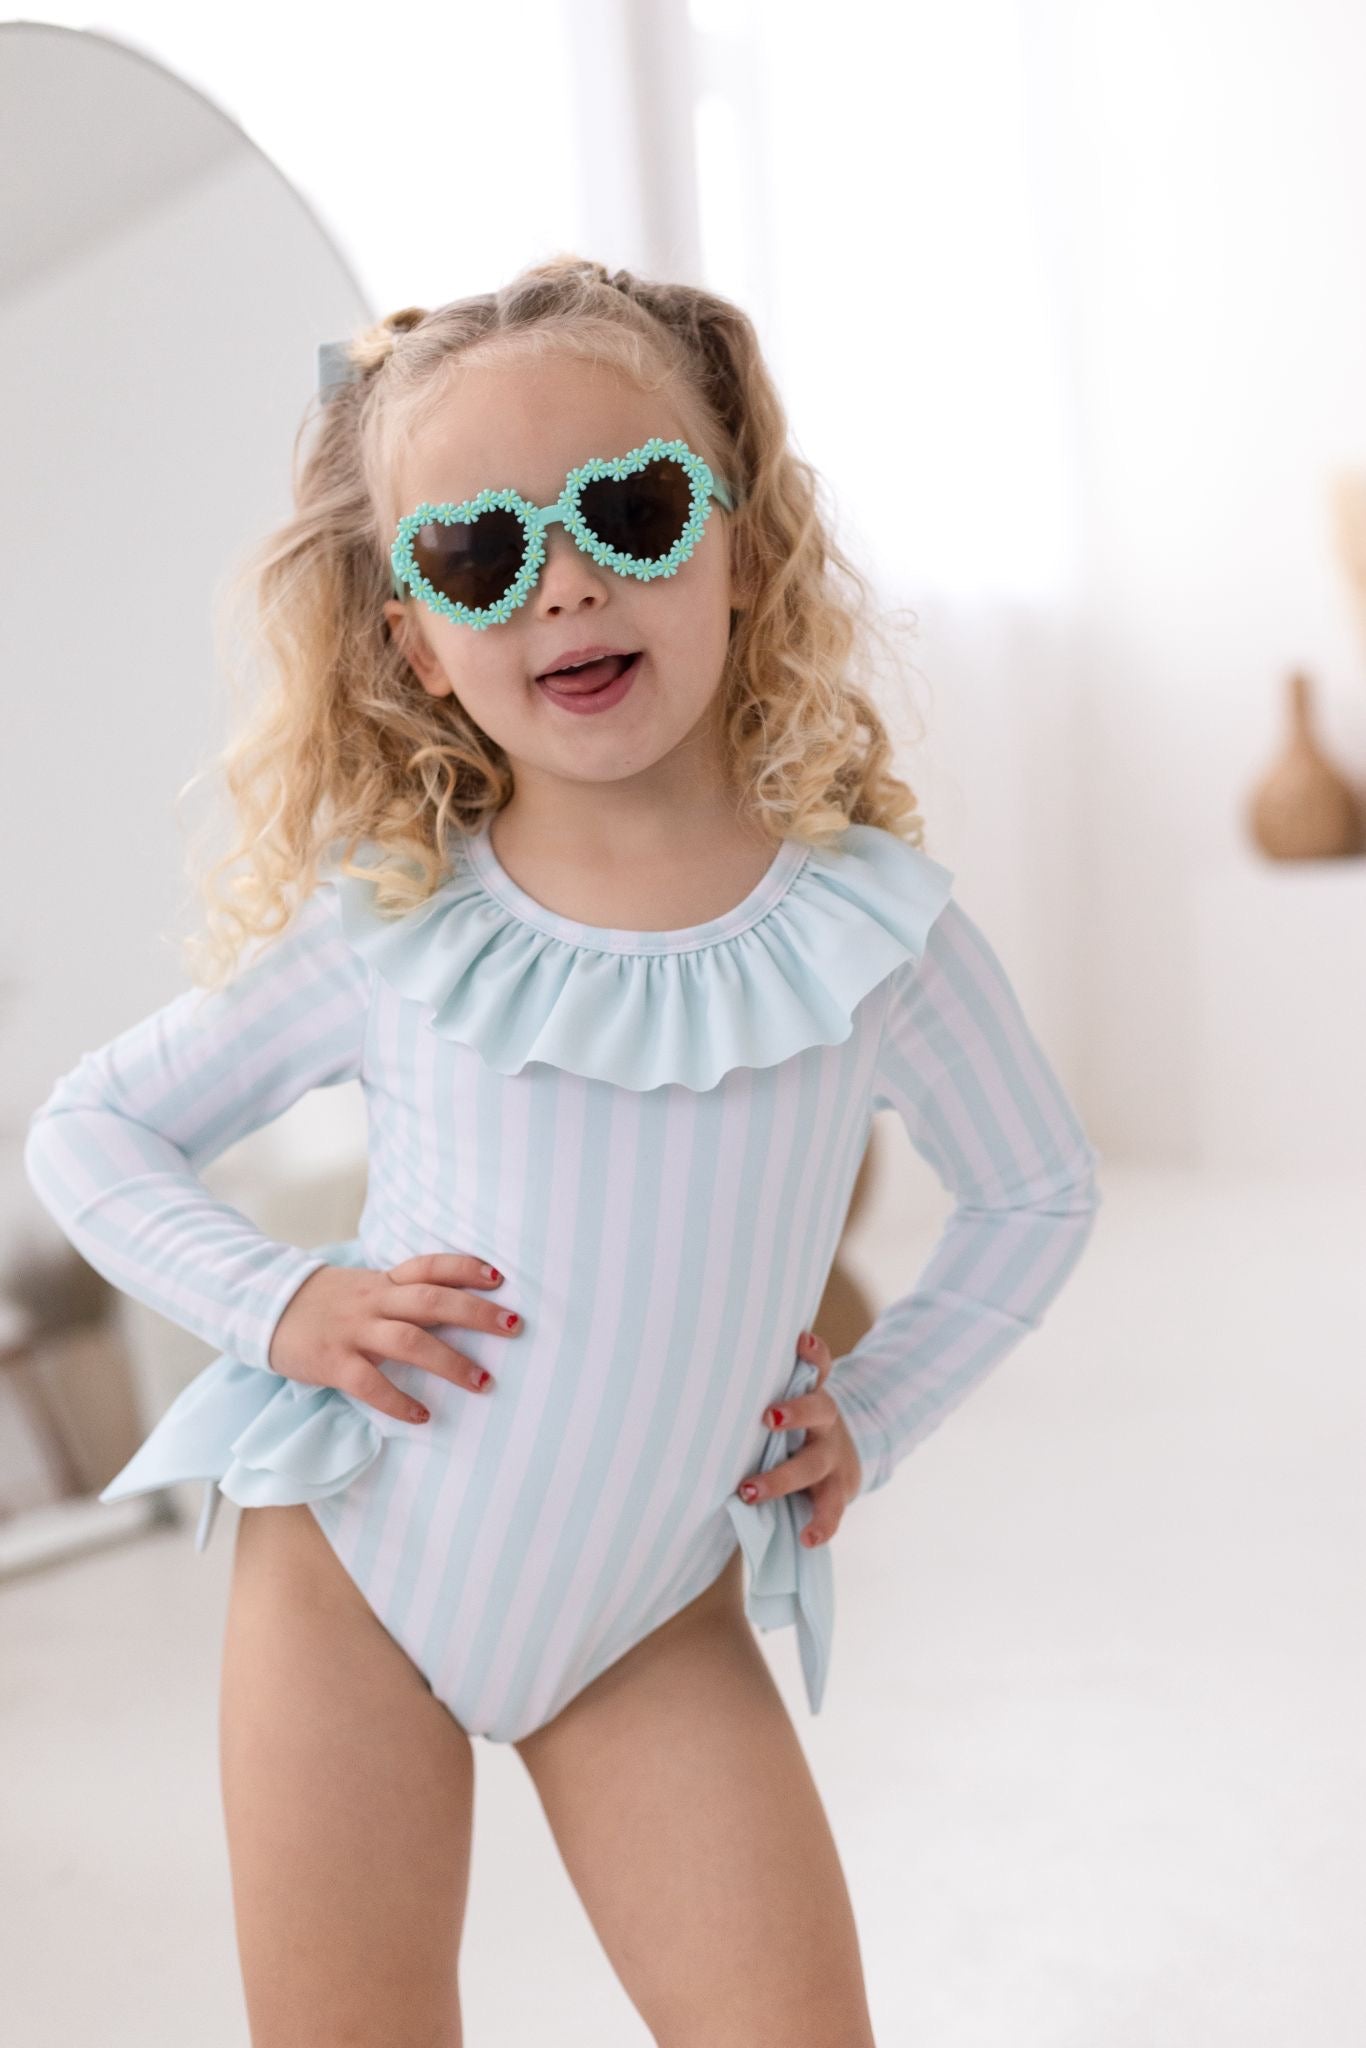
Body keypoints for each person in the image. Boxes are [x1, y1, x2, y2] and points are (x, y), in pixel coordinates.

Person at [24, 255, 1102, 2048]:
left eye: (632, 509)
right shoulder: (392, 923)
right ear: (414, 640)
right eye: (477, 553)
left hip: (650, 1613)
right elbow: (93, 1129)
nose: (569, 582)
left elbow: (1035, 1191)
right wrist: (280, 1306)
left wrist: (879, 1407)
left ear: (740, 547)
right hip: (353, 1568)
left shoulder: (871, 932)